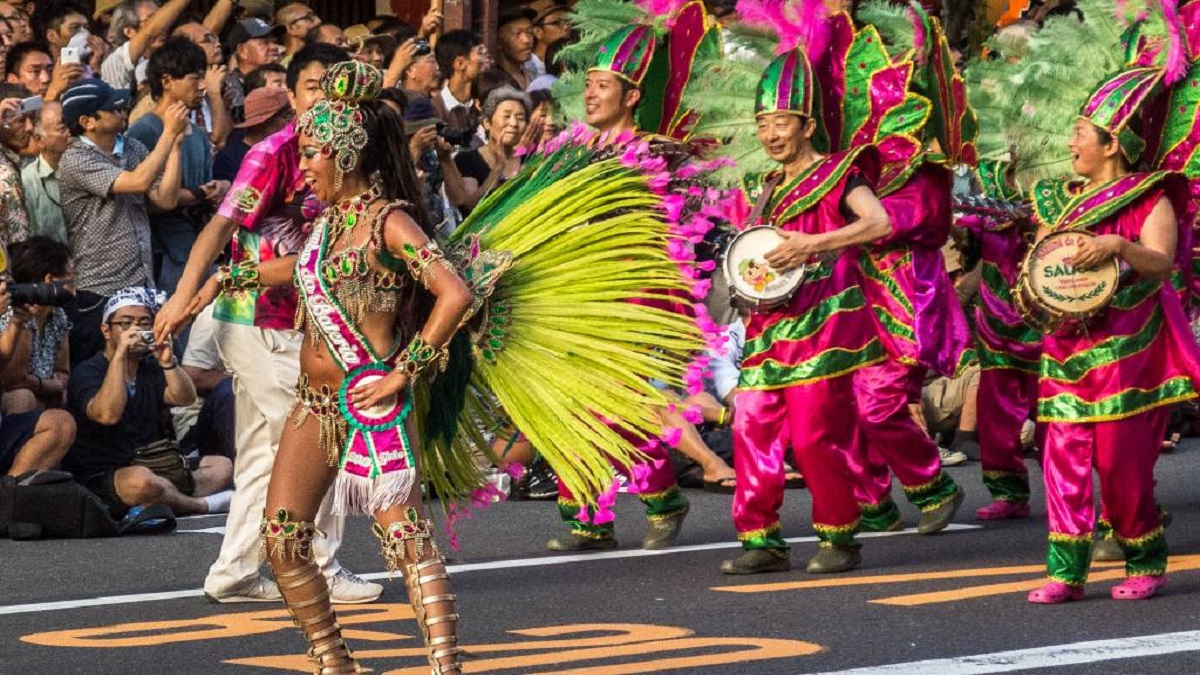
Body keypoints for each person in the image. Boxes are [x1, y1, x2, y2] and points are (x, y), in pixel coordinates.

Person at [223, 59, 473, 674]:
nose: (302, 167)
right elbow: (309, 269)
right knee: (282, 540)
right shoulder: (326, 224)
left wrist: (400, 372)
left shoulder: (391, 222)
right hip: (313, 404)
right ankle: (334, 662)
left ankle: (446, 667)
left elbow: (455, 293)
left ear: (346, 155)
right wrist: (245, 272)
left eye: (311, 155)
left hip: (372, 404)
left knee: (407, 541)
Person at [155, 44, 382, 606]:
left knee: (262, 451)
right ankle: (320, 567)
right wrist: (183, 296)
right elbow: (217, 228)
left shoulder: (347, 156)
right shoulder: (276, 154)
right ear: (291, 94)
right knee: (319, 437)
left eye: (331, 91)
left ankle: (232, 573)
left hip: (306, 320)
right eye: (310, 89)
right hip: (257, 320)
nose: (321, 101)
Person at [1024, 67, 1199, 604]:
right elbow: (1043, 261)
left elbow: (1161, 262)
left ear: (1111, 144)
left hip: (1128, 350)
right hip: (1066, 345)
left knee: (1119, 466)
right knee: (1063, 461)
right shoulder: (1057, 200)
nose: (1072, 141)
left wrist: (1119, 248)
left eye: (1081, 131)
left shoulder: (1151, 198)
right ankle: (1066, 572)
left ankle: (1145, 557)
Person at [719, 49, 891, 575]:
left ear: (808, 124)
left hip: (825, 324)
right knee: (750, 422)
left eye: (781, 122)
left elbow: (879, 224)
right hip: (771, 326)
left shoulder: (842, 173)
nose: (770, 134)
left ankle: (839, 536)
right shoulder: (762, 188)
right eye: (763, 123)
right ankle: (761, 540)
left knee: (815, 434)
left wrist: (814, 243)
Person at [63, 287, 232, 522]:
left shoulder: (149, 367)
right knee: (142, 482)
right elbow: (107, 414)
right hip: (107, 470)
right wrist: (120, 355)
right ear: (106, 331)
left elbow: (185, 398)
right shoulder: (88, 372)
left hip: (156, 461)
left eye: (144, 323)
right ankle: (199, 506)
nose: (136, 330)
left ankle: (164, 498)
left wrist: (168, 362)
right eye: (126, 323)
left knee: (221, 466)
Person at [58, 78, 186, 366]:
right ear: (87, 121)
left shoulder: (133, 148)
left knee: (144, 369)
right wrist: (167, 135)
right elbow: (137, 181)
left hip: (141, 284)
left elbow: (165, 200)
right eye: (111, 107)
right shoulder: (75, 159)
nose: (121, 109)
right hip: (99, 288)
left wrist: (175, 146)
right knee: (98, 368)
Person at [127, 36, 225, 295]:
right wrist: (199, 194)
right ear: (167, 81)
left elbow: (205, 186)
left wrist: (218, 190)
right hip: (164, 254)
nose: (203, 86)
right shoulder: (143, 132)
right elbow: (145, 201)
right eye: (194, 78)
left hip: (198, 250)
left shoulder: (199, 134)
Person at [0, 236, 73, 411]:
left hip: (45, 398)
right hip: (15, 399)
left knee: (61, 408)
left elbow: (63, 374)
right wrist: (20, 323)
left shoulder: (57, 315)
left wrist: (45, 386)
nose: (73, 280)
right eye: (69, 274)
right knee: (22, 398)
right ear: (50, 280)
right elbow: (14, 380)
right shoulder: (12, 311)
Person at [454, 85, 527, 211]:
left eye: (520, 118)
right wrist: (497, 170)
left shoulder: (530, 159)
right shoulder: (467, 160)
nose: (514, 123)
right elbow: (470, 206)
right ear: (487, 122)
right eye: (506, 116)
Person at [100, 0, 192, 91]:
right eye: (152, 20)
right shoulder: (115, 61)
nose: (163, 26)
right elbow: (149, 33)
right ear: (129, 31)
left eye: (162, 19)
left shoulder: (172, 58)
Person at [213, 85, 289, 183]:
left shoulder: (286, 150)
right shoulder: (229, 159)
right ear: (264, 122)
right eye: (286, 116)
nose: (290, 122)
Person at [21, 100, 69, 243]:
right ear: (39, 140)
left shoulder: (86, 165)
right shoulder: (28, 182)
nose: (70, 132)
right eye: (62, 128)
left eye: (70, 124)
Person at [223, 17, 282, 121]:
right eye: (265, 42)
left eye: (275, 42)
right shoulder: (228, 86)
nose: (274, 47)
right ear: (242, 51)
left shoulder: (285, 77)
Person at [0, 82, 32, 247]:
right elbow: (20, 245)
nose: (30, 127)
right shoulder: (7, 177)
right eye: (20, 121)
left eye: (31, 119)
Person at [494, 4, 535, 89]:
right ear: (499, 42)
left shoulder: (532, 77)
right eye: (517, 33)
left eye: (529, 32)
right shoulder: (495, 82)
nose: (526, 40)